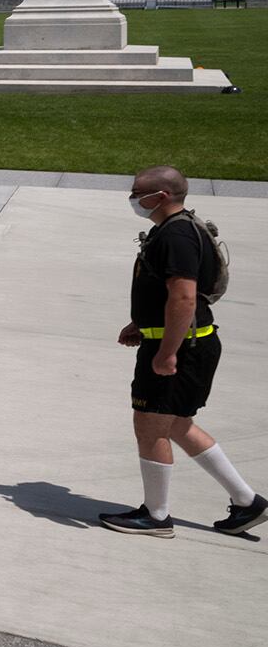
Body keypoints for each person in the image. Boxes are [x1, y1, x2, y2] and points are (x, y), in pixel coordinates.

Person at [97, 166, 264, 537]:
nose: (133, 197)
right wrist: (142, 323)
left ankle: (156, 517)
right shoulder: (177, 228)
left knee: (150, 426)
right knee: (177, 425)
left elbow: (184, 296)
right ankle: (246, 502)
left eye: (138, 191)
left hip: (181, 348)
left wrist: (167, 352)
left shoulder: (176, 236)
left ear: (162, 196)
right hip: (185, 341)